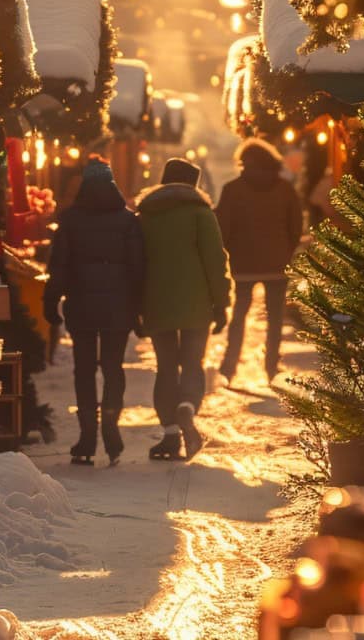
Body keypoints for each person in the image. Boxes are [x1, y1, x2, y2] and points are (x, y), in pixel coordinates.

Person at [42, 157, 145, 466]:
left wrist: (51, 301)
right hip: (118, 307)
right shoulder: (128, 221)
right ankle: (111, 426)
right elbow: (138, 268)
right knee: (113, 368)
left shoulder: (71, 220)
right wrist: (140, 309)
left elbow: (58, 266)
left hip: (82, 306)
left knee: (84, 370)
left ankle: (87, 437)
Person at [136, 158, 231, 461]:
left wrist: (137, 306)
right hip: (196, 303)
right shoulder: (201, 214)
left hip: (157, 302)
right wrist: (221, 303)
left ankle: (169, 434)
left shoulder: (145, 216)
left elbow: (135, 263)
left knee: (165, 367)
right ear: (194, 184)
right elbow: (215, 261)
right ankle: (187, 407)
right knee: (192, 362)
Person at [212, 138, 305, 386]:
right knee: (275, 319)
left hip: (243, 264)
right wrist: (286, 250)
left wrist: (231, 251)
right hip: (277, 263)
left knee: (239, 316)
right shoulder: (285, 189)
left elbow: (223, 228)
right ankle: (271, 366)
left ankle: (229, 366)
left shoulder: (232, 190)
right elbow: (296, 225)